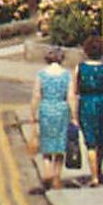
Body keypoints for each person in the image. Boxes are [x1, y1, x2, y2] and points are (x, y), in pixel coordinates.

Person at [30, 46, 77, 193]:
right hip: (61, 110)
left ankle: (47, 172)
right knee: (60, 146)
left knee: (46, 145)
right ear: (61, 59)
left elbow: (37, 95)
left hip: (46, 109)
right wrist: (74, 115)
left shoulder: (42, 74)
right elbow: (70, 96)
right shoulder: (66, 75)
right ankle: (57, 177)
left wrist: (33, 113)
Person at [75, 34, 103, 186]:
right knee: (102, 141)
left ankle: (94, 177)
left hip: (86, 103)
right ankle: (100, 170)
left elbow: (75, 89)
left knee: (90, 142)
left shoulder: (80, 68)